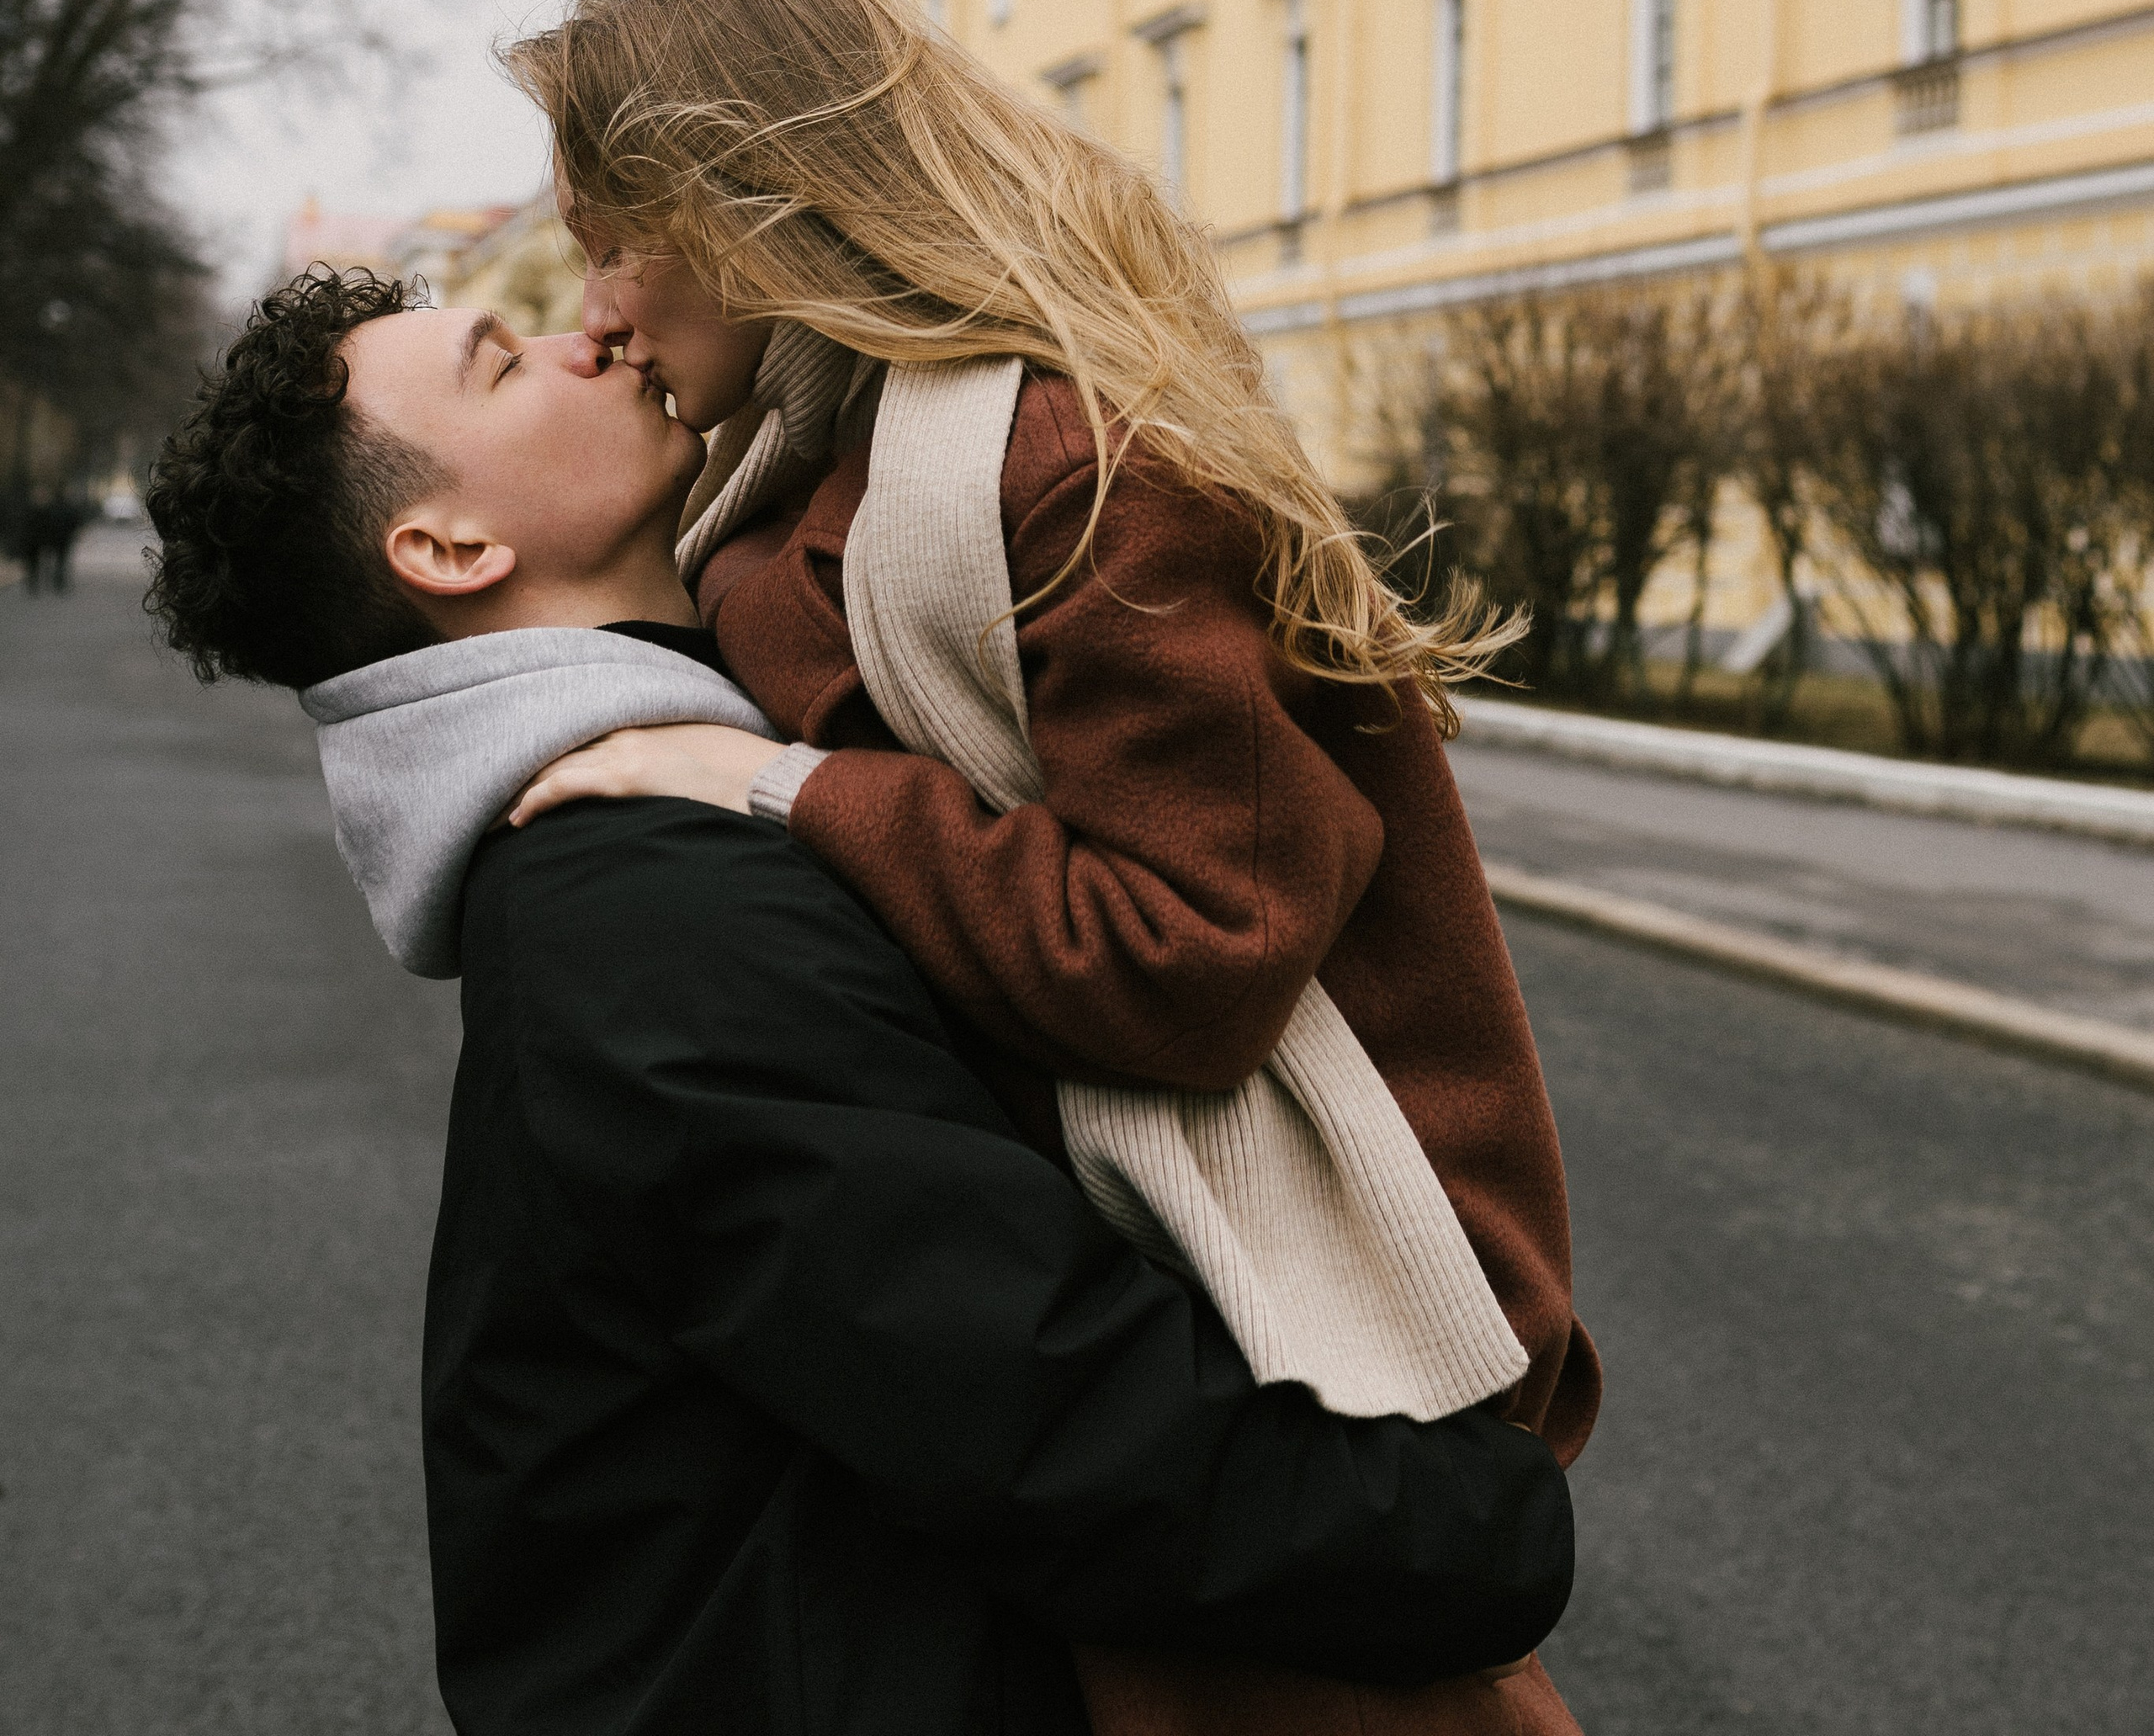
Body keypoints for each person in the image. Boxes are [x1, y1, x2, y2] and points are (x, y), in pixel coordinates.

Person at [144, 268, 1578, 1736]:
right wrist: (1472, 1531)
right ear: (451, 546)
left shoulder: (659, 808)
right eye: (504, 365)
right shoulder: (641, 900)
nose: (583, 333)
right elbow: (1027, 1394)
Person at [501, 0, 1600, 1736]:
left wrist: (779, 791)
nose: (601, 307)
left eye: (614, 238)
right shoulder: (798, 476)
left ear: (748, 203)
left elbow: (1193, 956)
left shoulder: (1075, 465)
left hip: (1298, 1324)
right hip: (1094, 1331)